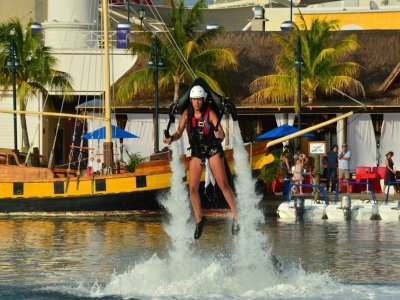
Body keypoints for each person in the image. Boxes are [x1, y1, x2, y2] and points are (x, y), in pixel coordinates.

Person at [163, 85, 239, 239]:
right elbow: (178, 132)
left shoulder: (210, 113)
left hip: (212, 149)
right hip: (197, 152)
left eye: (198, 99)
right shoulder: (186, 114)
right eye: (193, 100)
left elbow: (221, 134)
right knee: (192, 189)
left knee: (223, 184)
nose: (196, 102)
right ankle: (199, 219)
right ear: (190, 100)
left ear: (203, 100)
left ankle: (237, 217)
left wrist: (219, 134)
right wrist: (170, 138)